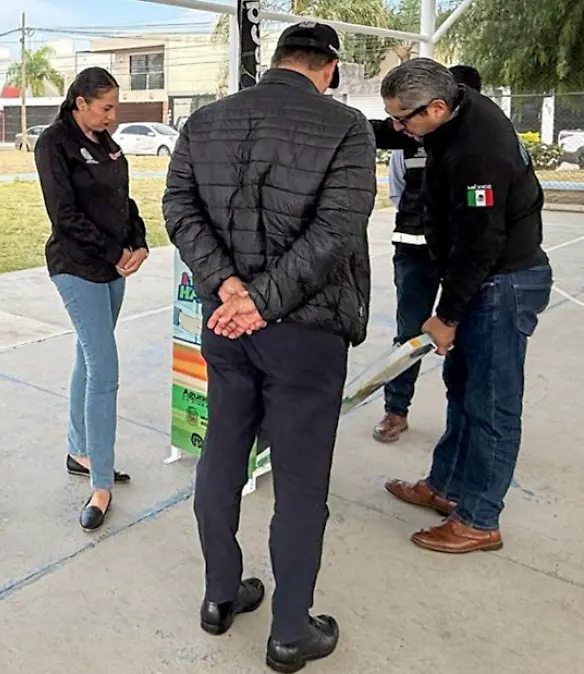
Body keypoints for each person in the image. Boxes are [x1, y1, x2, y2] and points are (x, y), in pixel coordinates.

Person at [163, 22, 375, 672]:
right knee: (301, 485)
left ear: (278, 61)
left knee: (221, 459)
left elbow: (178, 208)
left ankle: (220, 595)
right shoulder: (346, 128)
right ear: (330, 69)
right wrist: (259, 299)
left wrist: (229, 289)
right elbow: (337, 231)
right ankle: (289, 631)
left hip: (226, 328)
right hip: (305, 335)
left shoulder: (205, 122)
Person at [377, 59, 552, 554]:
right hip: (485, 277)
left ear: (436, 107)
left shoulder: (479, 151)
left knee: (492, 404)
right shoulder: (453, 111)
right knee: (463, 388)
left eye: (403, 120)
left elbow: (481, 245)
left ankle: (478, 519)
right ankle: (446, 486)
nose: (399, 129)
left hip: (503, 282)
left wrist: (448, 314)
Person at [33, 67, 149, 533]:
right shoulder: (54, 143)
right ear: (80, 101)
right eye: (106, 107)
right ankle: (101, 484)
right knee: (105, 368)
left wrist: (138, 242)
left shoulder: (105, 140)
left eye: (115, 107)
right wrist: (114, 251)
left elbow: (124, 199)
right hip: (77, 266)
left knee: (88, 356)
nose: (113, 115)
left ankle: (79, 450)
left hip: (114, 267)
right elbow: (64, 215)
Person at [372, 64, 482, 443]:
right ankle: (395, 410)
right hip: (413, 250)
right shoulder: (407, 137)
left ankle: (463, 421)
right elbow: (399, 189)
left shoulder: (477, 146)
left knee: (464, 334)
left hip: (462, 259)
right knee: (409, 334)